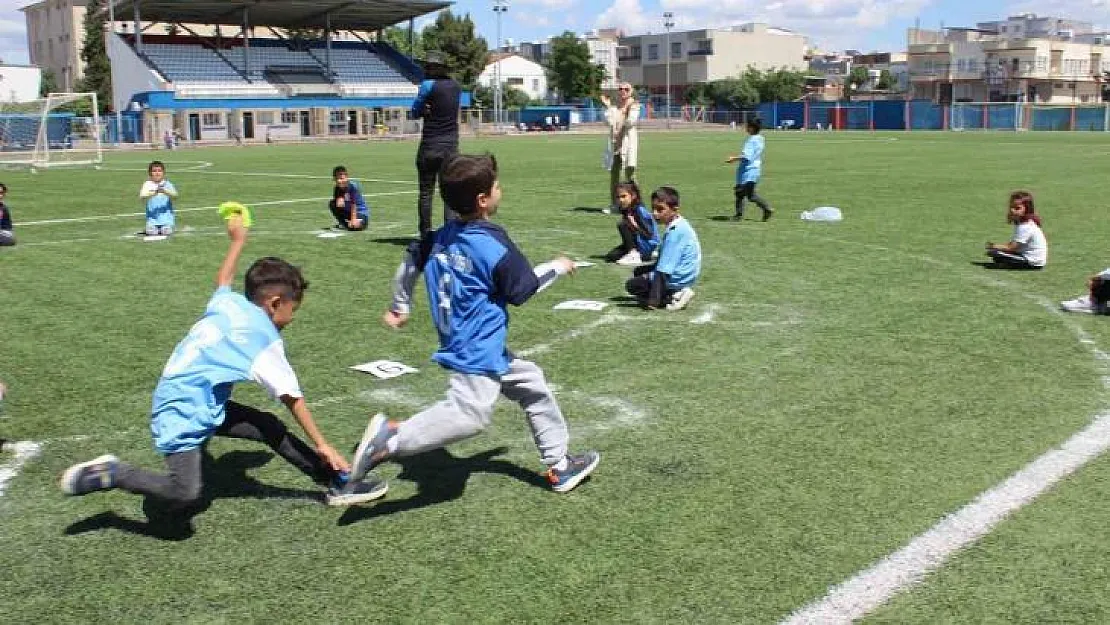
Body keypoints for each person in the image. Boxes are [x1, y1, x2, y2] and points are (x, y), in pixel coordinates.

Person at [59, 214, 387, 510]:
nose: (291, 318)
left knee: (266, 426)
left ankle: (335, 483)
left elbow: (223, 280)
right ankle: (114, 473)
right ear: (275, 304)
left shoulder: (228, 303)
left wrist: (238, 241)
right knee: (185, 492)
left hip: (194, 396)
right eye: (292, 310)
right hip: (183, 411)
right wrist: (324, 445)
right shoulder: (260, 335)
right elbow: (291, 397)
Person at [350, 153, 600, 494]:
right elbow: (522, 289)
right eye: (496, 185)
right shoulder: (493, 244)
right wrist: (556, 266)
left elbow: (410, 260)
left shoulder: (438, 237)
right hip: (477, 347)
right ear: (483, 200)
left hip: (476, 342)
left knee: (533, 385)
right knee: (470, 416)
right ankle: (391, 439)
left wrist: (400, 305)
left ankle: (559, 466)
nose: (500, 189)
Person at [625, 187, 702, 311]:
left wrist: (653, 302)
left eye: (660, 209)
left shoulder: (675, 232)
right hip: (683, 275)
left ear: (674, 210)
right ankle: (672, 292)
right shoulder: (680, 224)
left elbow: (663, 271)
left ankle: (673, 296)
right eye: (654, 209)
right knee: (638, 272)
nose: (655, 213)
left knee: (632, 285)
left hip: (677, 278)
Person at [412, 52, 462, 236]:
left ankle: (425, 233)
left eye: (429, 67)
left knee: (426, 192)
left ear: (436, 69)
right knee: (449, 192)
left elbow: (415, 112)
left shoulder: (427, 86)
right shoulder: (456, 87)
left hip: (430, 145)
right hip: (450, 146)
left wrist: (425, 110)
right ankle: (449, 231)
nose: (426, 70)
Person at [600, 83, 641, 213]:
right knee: (614, 175)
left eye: (626, 89)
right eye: (620, 89)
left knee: (630, 174)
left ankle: (636, 205)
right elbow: (607, 122)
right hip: (615, 144)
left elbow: (631, 122)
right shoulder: (615, 107)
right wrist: (608, 107)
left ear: (631, 91)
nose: (623, 91)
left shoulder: (634, 105)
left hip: (627, 144)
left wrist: (624, 114)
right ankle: (615, 205)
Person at [725, 118, 774, 221]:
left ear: (751, 128)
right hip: (755, 170)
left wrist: (733, 159)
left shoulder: (751, 140)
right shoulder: (760, 138)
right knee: (750, 195)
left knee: (740, 193)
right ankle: (766, 208)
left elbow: (747, 156)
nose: (746, 128)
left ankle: (739, 215)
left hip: (747, 171)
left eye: (747, 126)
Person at [985, 191, 1046, 270]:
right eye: (1011, 207)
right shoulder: (1023, 223)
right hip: (1031, 258)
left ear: (1027, 210)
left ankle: (1008, 265)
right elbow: (1015, 243)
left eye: (1017, 208)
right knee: (998, 254)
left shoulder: (1025, 226)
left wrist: (993, 246)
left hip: (1032, 262)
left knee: (995, 253)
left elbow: (1011, 247)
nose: (1012, 210)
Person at [603, 181, 658, 266]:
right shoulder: (626, 209)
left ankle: (634, 255)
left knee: (622, 224)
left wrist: (635, 226)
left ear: (633, 196)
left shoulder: (640, 210)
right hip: (639, 242)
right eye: (618, 197)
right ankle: (641, 254)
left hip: (647, 244)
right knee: (612, 256)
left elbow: (649, 235)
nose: (620, 200)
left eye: (624, 196)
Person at [139, 161, 178, 237]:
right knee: (152, 232)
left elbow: (175, 196)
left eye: (159, 171)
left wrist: (165, 191)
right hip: (152, 221)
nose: (157, 173)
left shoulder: (167, 184)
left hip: (167, 221)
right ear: (150, 173)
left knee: (166, 231)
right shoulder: (147, 184)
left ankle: (166, 227)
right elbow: (142, 196)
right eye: (154, 171)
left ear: (163, 173)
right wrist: (154, 193)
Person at [329, 165, 369, 231]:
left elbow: (354, 204)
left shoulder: (353, 187)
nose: (339, 181)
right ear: (334, 179)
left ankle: (351, 224)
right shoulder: (337, 188)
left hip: (359, 213)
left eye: (342, 178)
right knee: (332, 203)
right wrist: (339, 199)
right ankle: (343, 223)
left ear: (347, 177)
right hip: (348, 213)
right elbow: (339, 204)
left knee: (356, 226)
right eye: (337, 179)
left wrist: (353, 219)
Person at [0, 183, 15, 247]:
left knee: (11, 240)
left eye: (1, 193)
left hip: (3, 233)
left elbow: (7, 230)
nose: (0, 195)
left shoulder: (3, 208)